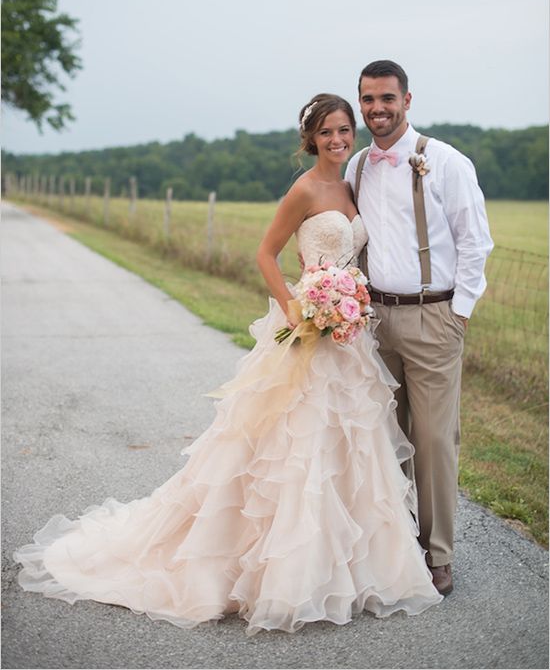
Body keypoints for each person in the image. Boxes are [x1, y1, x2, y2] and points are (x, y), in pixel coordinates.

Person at [14, 93, 442, 636]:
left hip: (349, 336)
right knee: (294, 447)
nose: (338, 140)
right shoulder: (305, 189)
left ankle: (356, 569)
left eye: (344, 130)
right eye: (327, 132)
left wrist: (348, 304)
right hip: (310, 328)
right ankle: (282, 572)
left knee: (350, 445)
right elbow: (266, 253)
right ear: (311, 139)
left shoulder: (353, 183)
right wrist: (300, 308)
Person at [345, 61, 494, 597]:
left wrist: (460, 313)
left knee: (432, 440)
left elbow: (476, 241)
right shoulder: (356, 167)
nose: (377, 109)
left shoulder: (447, 162)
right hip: (372, 320)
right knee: (384, 437)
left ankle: (438, 554)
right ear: (359, 103)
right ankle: (395, 543)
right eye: (367, 99)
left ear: (408, 100)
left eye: (387, 98)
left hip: (435, 316)